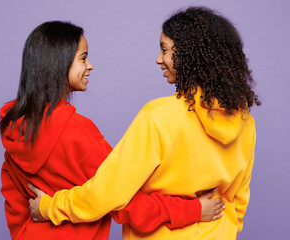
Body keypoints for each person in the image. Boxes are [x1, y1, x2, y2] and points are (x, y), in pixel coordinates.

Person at [29, 7, 261, 240]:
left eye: (165, 50)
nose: (159, 59)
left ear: (189, 54)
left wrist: (50, 207)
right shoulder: (245, 122)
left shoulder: (159, 117)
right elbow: (239, 199)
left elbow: (107, 193)